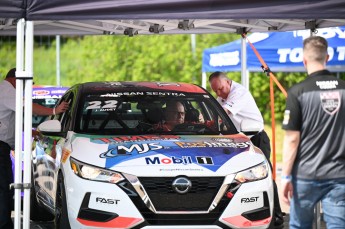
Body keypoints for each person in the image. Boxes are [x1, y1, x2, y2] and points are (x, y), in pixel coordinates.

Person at [281, 36, 345, 229]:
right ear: (328, 57)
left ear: (304, 60)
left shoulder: (298, 91)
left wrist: (285, 177)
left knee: (300, 226)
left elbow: (292, 140)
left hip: (305, 176)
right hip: (338, 174)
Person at [209, 71, 284, 228]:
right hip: (239, 142)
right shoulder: (221, 97)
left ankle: (276, 216)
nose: (218, 93)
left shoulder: (239, 93)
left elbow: (223, 114)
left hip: (256, 139)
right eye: (215, 91)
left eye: (220, 88)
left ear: (228, 82)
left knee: (265, 177)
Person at [0, 68, 68, 229]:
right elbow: (26, 106)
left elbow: (12, 122)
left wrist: (32, 132)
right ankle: (4, 224)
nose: (24, 89)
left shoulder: (5, 91)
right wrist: (54, 111)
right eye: (24, 84)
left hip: (4, 146)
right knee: (3, 189)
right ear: (16, 79)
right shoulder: (6, 91)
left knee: (4, 188)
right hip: (1, 147)